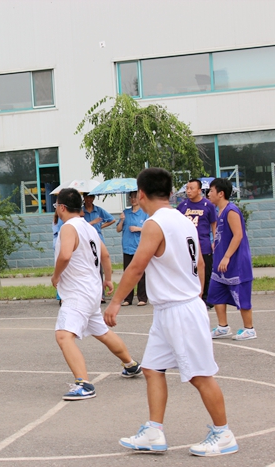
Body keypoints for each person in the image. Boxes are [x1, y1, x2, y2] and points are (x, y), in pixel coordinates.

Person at [104, 168, 237, 457]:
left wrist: (115, 302)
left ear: (141, 193)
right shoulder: (183, 219)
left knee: (200, 374)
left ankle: (223, 434)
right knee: (152, 368)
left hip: (180, 310)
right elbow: (200, 264)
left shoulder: (155, 224)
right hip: (171, 308)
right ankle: (154, 432)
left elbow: (136, 266)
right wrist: (196, 294)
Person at [51, 188, 141, 401]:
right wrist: (107, 278)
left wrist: (56, 276)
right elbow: (105, 254)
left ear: (62, 207)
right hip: (92, 289)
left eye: (56, 206)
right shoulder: (88, 227)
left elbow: (65, 255)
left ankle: (84, 384)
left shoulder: (69, 227)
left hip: (78, 292)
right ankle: (130, 364)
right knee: (102, 332)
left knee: (63, 335)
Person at [207, 178, 255, 340]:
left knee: (241, 295)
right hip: (220, 262)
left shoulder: (231, 210)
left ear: (221, 193)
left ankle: (249, 329)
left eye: (211, 191)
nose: (209, 194)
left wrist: (227, 256)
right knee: (216, 292)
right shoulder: (219, 211)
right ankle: (223, 327)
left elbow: (238, 235)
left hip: (236, 262)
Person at [177, 178, 217, 307]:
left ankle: (206, 299)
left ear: (199, 190)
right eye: (187, 188)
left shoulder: (208, 205)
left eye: (192, 188)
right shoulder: (182, 206)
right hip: (186, 245)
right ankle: (190, 298)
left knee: (205, 272)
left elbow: (214, 224)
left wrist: (215, 241)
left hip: (203, 244)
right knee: (188, 272)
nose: (188, 191)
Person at [116, 191, 149, 306]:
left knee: (140, 273)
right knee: (127, 274)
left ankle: (142, 298)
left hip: (139, 247)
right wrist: (121, 220)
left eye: (135, 197)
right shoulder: (125, 213)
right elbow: (118, 229)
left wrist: (138, 229)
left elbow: (149, 229)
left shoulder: (144, 213)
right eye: (131, 197)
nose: (133, 199)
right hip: (127, 247)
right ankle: (127, 298)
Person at [82, 194, 115, 303]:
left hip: (98, 240)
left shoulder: (98, 210)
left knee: (99, 268)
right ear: (84, 198)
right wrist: (93, 222)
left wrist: (100, 226)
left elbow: (112, 219)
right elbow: (80, 226)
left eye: (91, 197)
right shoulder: (81, 212)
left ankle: (101, 295)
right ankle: (89, 294)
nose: (89, 200)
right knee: (88, 268)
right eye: (87, 197)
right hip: (86, 241)